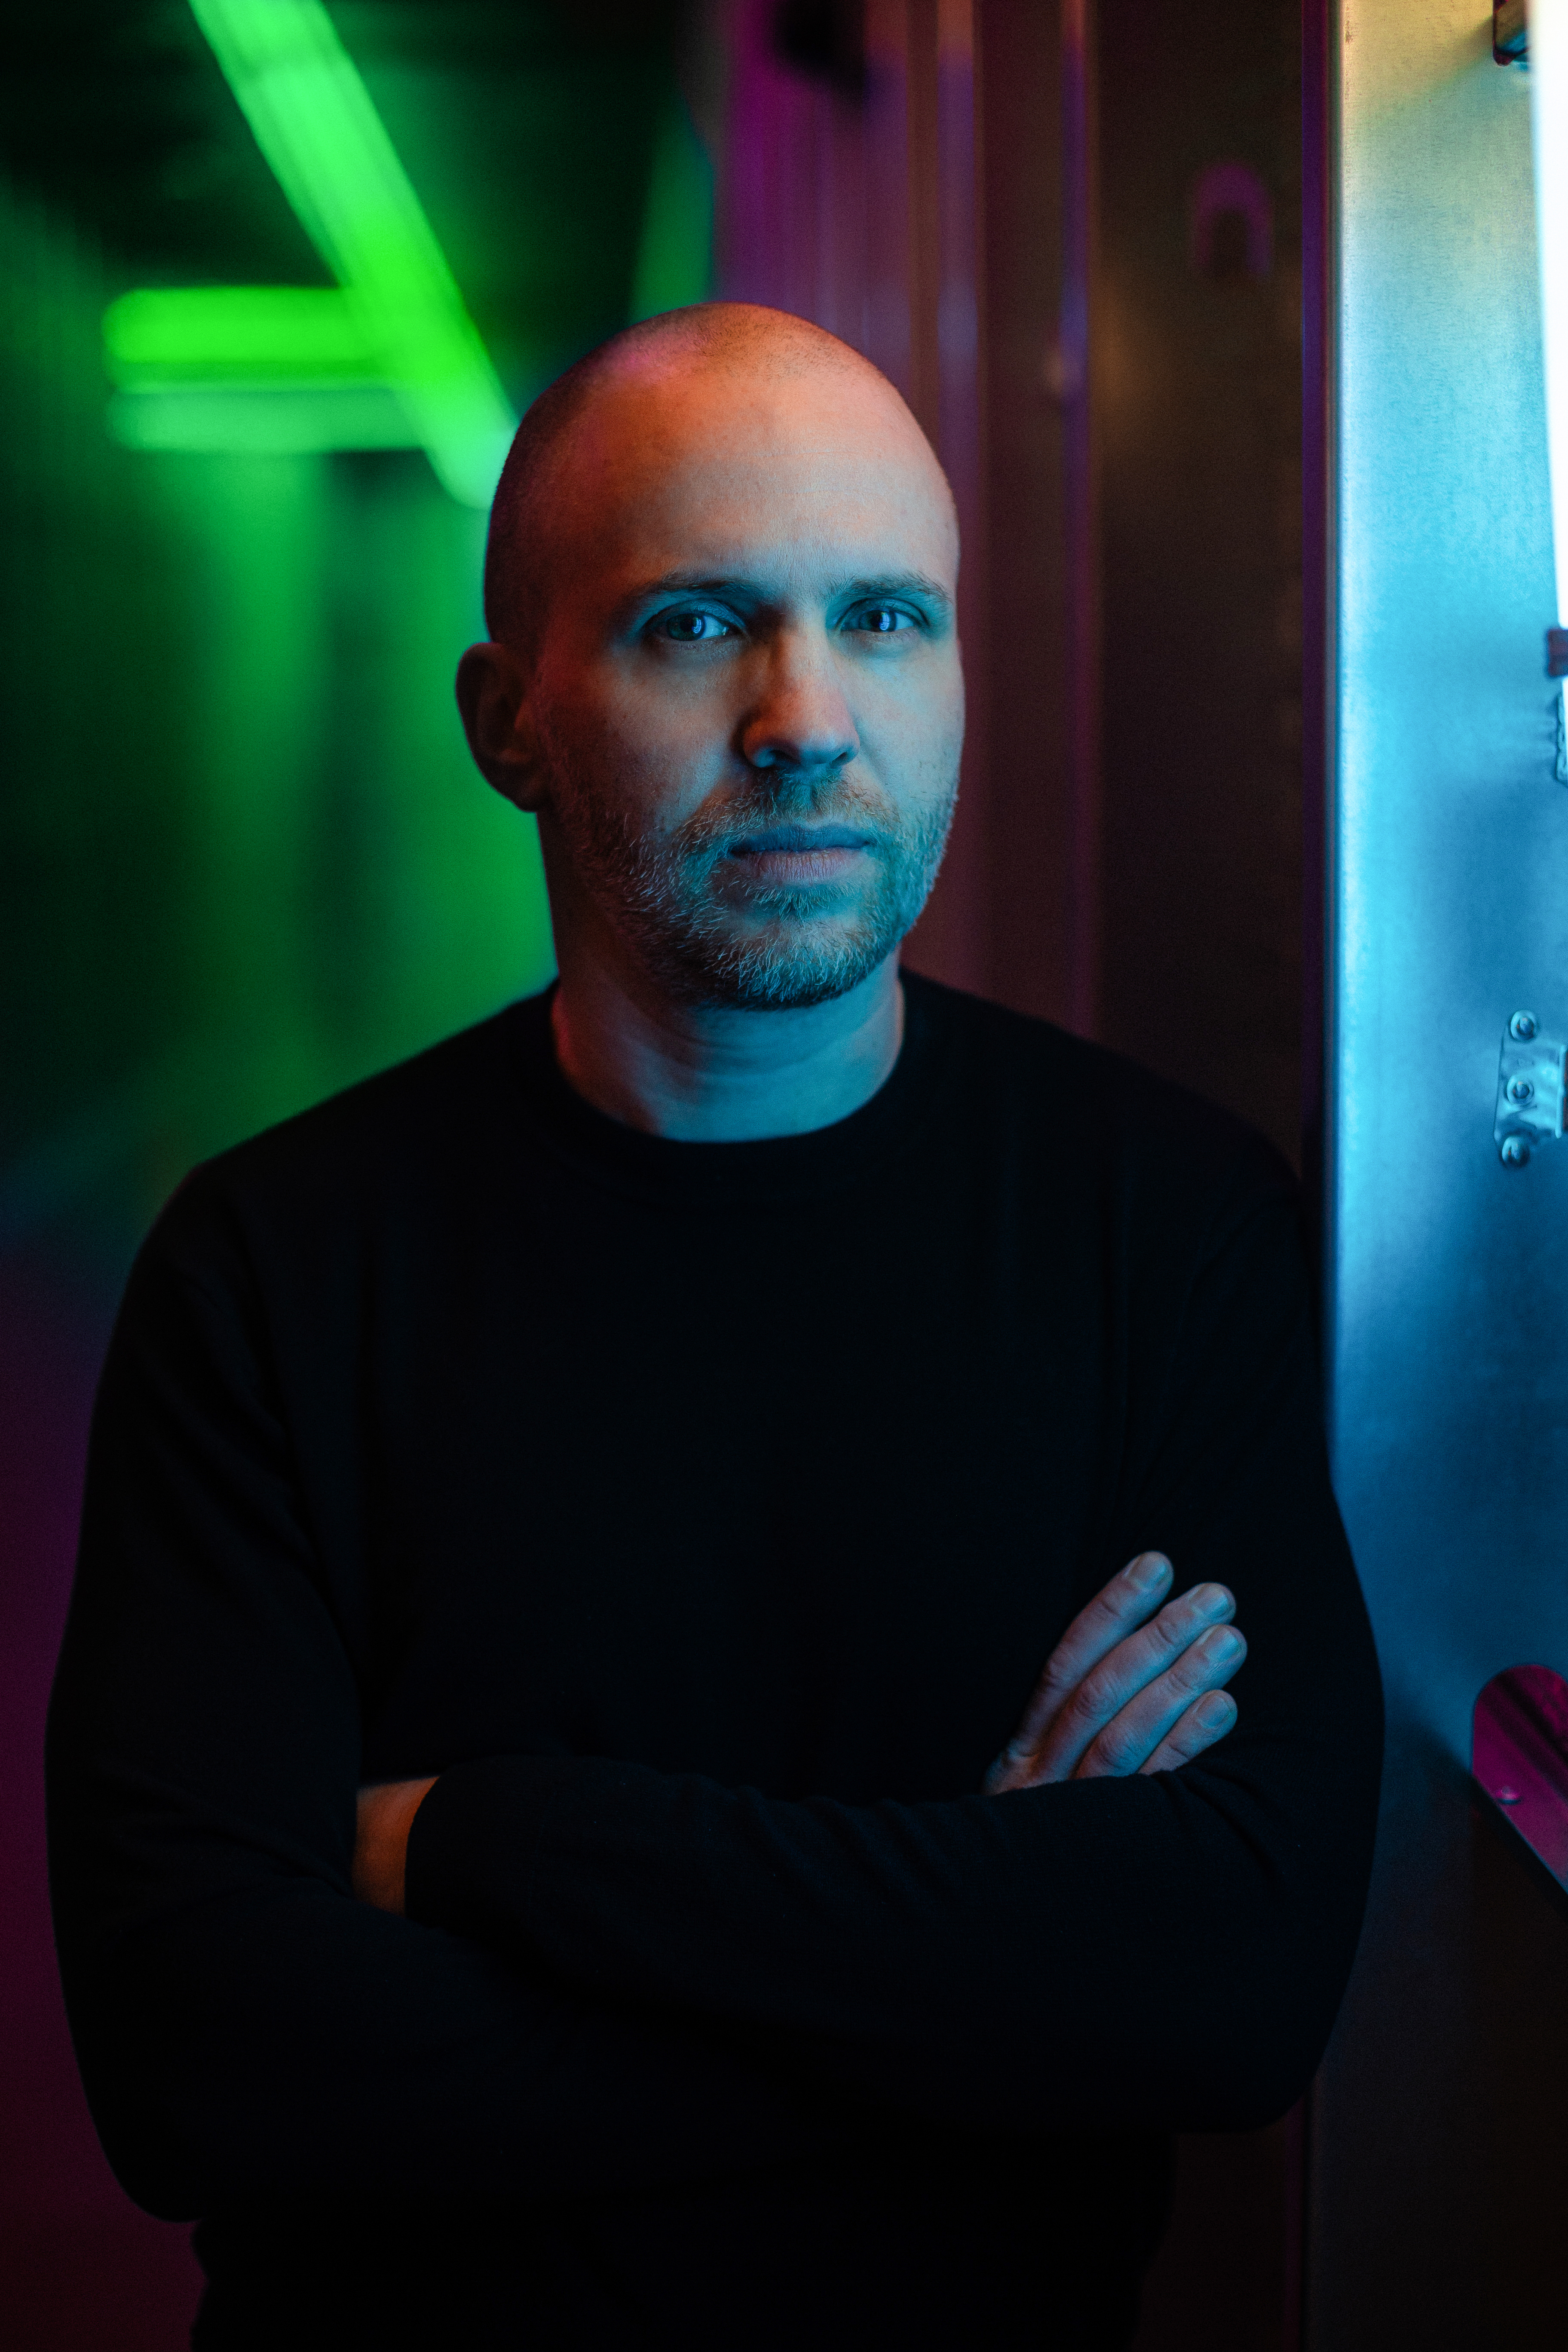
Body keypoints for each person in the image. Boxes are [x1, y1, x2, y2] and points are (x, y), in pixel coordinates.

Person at [46, 303, 1382, 2351]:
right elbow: (203, 2065)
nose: (807, 717)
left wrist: (505, 1839)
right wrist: (976, 1965)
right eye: (695, 627)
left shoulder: (1166, 1222)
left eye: (886, 620)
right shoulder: (275, 1274)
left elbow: (1232, 1992)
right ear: (510, 720)